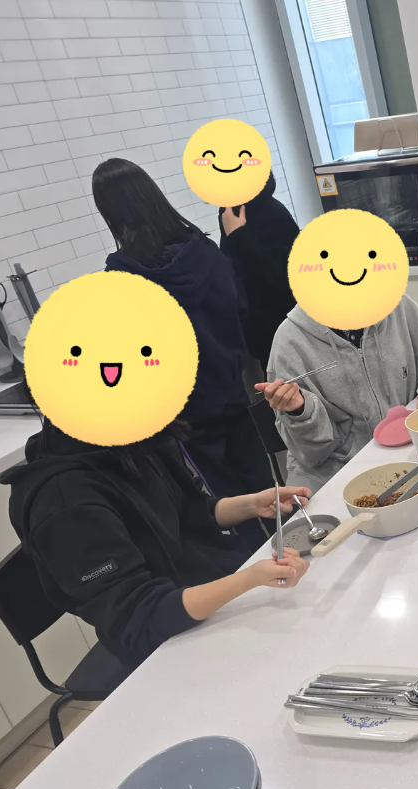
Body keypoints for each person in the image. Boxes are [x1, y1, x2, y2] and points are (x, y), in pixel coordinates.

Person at [0, 419, 311, 669]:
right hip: (169, 648)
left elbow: (187, 513)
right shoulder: (65, 503)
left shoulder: (131, 444)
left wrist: (253, 504)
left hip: (212, 596)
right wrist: (249, 579)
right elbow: (140, 618)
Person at [93, 159, 272, 545]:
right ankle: (300, 551)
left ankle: (260, 569)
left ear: (110, 214)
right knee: (267, 487)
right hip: (232, 391)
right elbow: (241, 307)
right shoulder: (205, 252)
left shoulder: (122, 281)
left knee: (224, 504)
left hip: (185, 413)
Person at [259, 297, 418, 492]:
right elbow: (311, 456)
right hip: (336, 480)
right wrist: (300, 413)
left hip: (409, 458)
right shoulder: (290, 341)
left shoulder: (394, 306)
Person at [219, 173, 300, 374]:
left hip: (282, 330)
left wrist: (237, 236)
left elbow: (281, 277)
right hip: (263, 330)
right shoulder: (232, 212)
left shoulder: (270, 213)